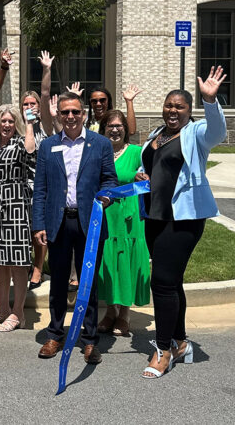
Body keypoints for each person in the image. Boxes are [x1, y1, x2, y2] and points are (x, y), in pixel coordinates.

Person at [135, 66, 227, 379]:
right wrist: (142, 175)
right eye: (169, 105)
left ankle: (163, 351)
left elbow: (217, 133)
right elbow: (154, 167)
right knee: (171, 282)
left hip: (183, 219)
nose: (173, 110)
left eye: (180, 106)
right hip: (155, 217)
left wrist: (210, 101)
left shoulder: (195, 134)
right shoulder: (156, 135)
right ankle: (181, 342)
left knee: (160, 282)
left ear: (189, 111)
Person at [32, 91, 117, 365]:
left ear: (84, 114)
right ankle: (55, 333)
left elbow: (110, 181)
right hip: (58, 223)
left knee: (88, 284)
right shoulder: (48, 147)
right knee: (57, 282)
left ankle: (90, 340)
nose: (70, 116)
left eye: (75, 112)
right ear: (59, 115)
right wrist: (39, 224)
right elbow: (41, 189)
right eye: (65, 112)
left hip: (89, 223)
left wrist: (106, 196)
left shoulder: (100, 144)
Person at [95, 109, 150, 337]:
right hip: (106, 214)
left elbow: (148, 179)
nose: (115, 130)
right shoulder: (99, 152)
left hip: (129, 217)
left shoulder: (138, 152)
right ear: (104, 129)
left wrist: (143, 178)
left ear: (126, 130)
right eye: (111, 126)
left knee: (126, 262)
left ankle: (124, 313)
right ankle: (109, 311)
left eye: (119, 126)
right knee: (107, 262)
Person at [0, 103, 36, 332]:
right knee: (1, 262)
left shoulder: (20, 144)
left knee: (18, 263)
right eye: (3, 121)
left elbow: (32, 153)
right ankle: (2, 308)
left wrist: (30, 123)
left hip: (17, 207)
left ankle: (18, 313)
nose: (6, 125)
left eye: (11, 121)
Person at [26, 50, 55, 289]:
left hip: (43, 187)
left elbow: (45, 94)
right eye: (25, 104)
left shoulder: (45, 125)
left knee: (40, 230)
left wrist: (46, 69)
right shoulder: (19, 126)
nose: (29, 106)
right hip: (22, 188)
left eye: (32, 103)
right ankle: (28, 266)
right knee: (25, 230)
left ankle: (38, 268)